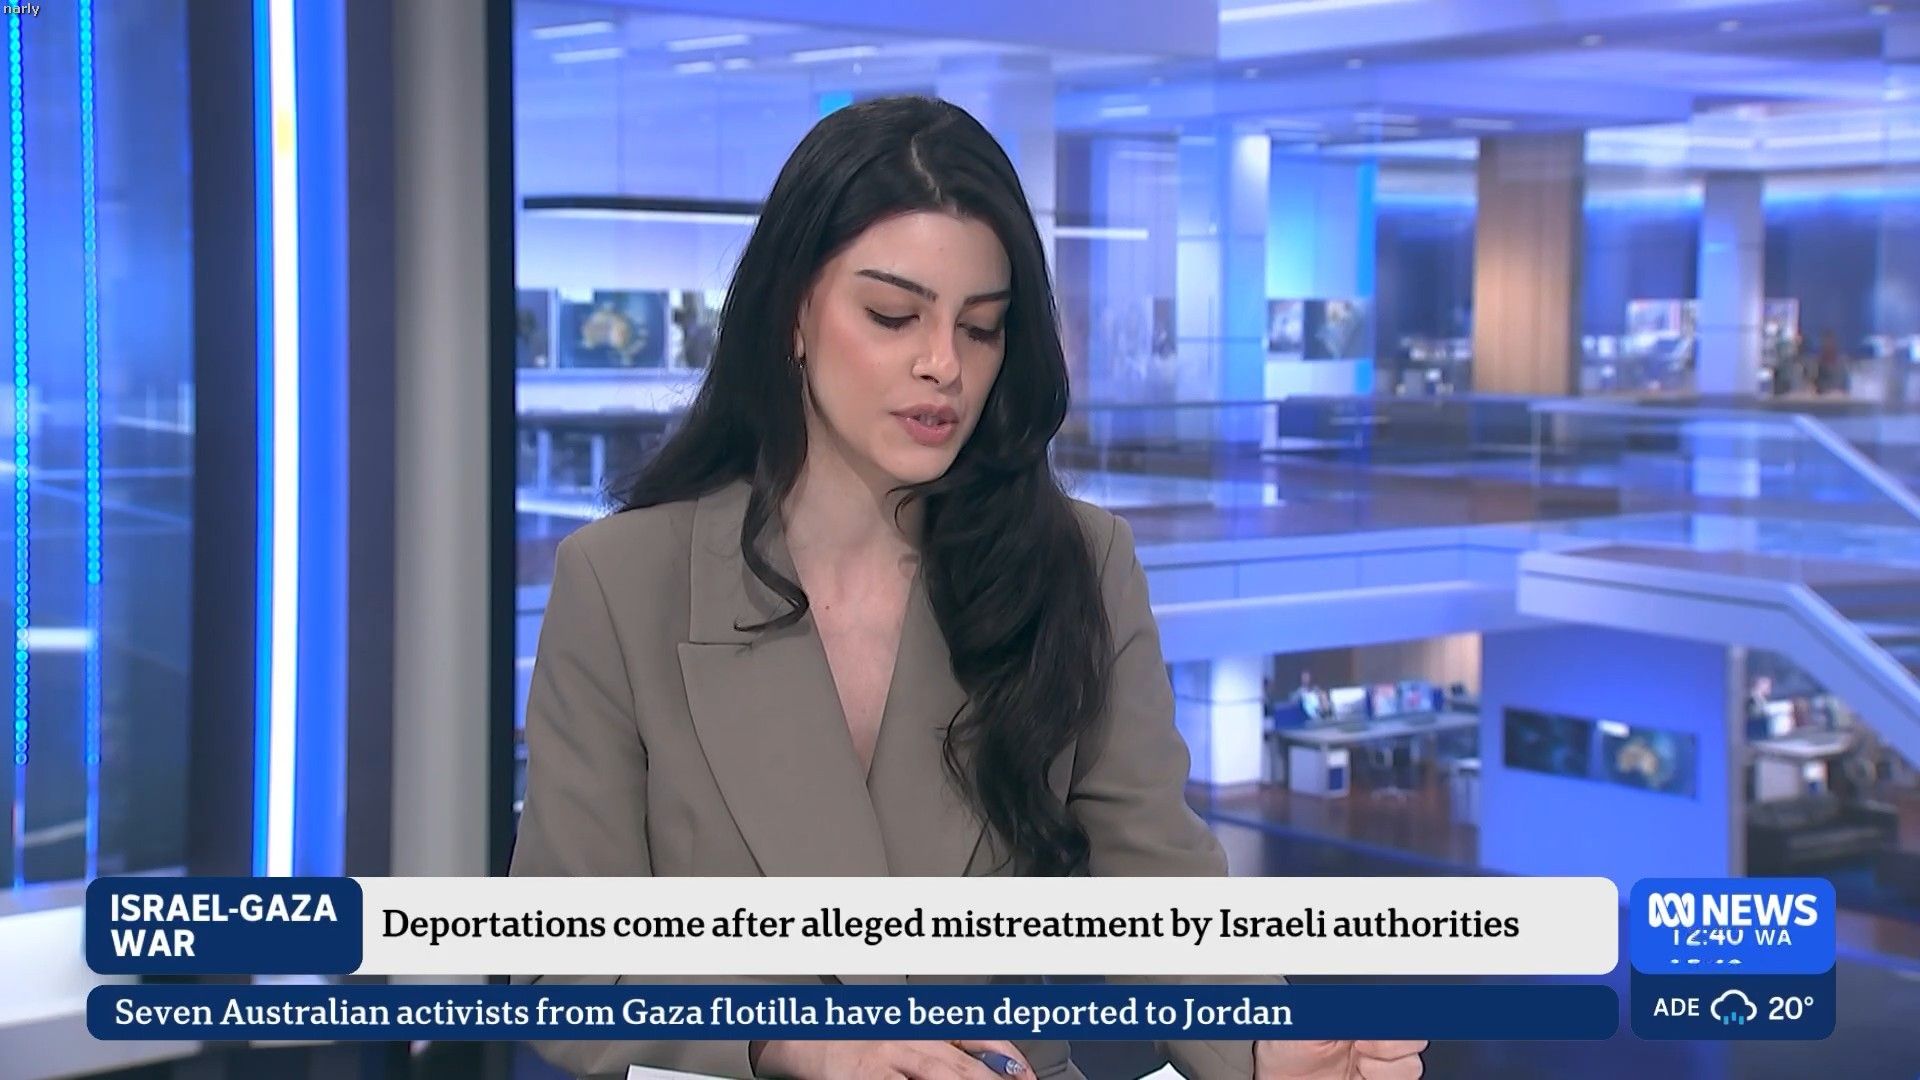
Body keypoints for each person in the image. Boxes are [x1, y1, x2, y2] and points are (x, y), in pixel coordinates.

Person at [509, 96, 1425, 1080]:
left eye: (981, 328)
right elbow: (564, 974)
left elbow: (1157, 884)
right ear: (793, 317)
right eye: (893, 316)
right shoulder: (620, 583)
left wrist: (1260, 1043)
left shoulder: (1081, 566)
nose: (942, 364)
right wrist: (791, 1038)